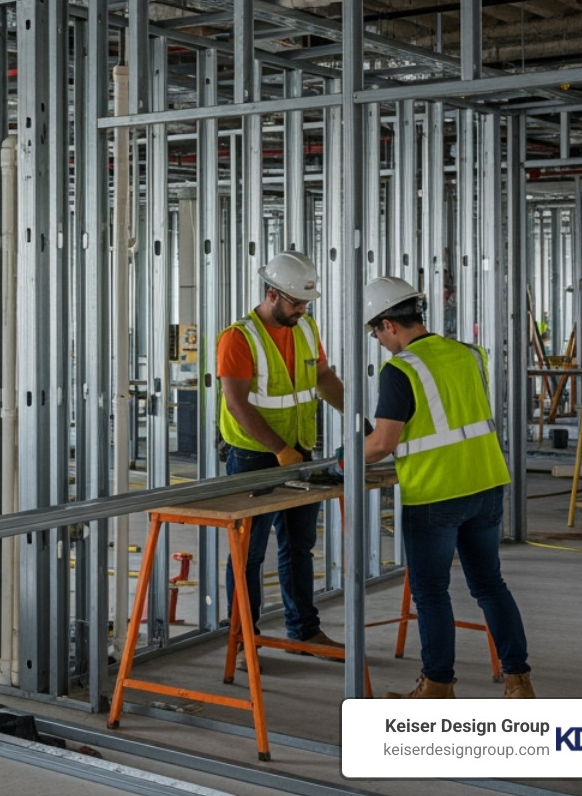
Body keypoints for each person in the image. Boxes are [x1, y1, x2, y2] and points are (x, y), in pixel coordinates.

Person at [361, 276, 534, 699]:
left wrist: (345, 460)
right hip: (487, 484)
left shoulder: (400, 369)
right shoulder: (468, 354)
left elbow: (383, 442)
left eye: (375, 332)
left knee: (431, 592)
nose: (379, 342)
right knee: (490, 585)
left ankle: (437, 685)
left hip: (436, 494)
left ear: (388, 324)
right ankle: (518, 681)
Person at [216, 250, 345, 655]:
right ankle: (242, 642)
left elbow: (323, 377)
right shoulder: (238, 337)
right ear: (272, 294)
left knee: (298, 547)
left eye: (306, 302)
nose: (302, 309)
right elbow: (237, 403)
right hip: (255, 457)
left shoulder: (305, 328)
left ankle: (303, 632)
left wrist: (357, 416)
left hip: (300, 451)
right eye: (295, 301)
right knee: (248, 554)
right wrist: (278, 449)